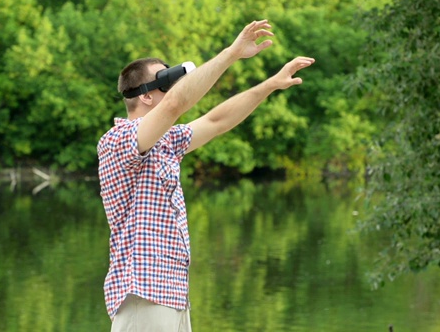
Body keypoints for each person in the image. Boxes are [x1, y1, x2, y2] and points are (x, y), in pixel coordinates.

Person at [97, 19, 315, 331]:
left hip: (172, 294)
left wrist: (269, 85)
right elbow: (174, 105)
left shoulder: (167, 142)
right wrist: (231, 54)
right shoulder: (118, 141)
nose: (174, 88)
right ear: (145, 96)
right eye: (165, 81)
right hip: (143, 292)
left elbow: (217, 120)